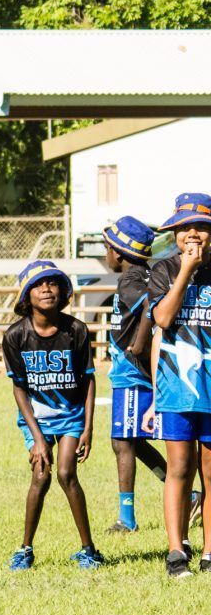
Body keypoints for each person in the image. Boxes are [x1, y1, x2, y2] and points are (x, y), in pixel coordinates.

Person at [3, 261, 101, 571]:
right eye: (38, 284)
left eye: (53, 283)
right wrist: (37, 439)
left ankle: (88, 550)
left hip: (72, 416)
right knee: (41, 476)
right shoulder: (15, 335)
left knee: (66, 473)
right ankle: (25, 548)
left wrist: (87, 428)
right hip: (38, 419)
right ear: (25, 296)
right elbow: (19, 390)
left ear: (63, 291)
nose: (47, 289)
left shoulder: (77, 331)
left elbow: (88, 380)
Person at [145, 193, 211, 578]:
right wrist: (186, 271)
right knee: (179, 467)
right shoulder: (164, 269)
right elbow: (164, 320)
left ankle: (209, 551)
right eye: (185, 226)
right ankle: (176, 551)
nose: (193, 233)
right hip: (177, 388)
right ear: (173, 232)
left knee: (210, 469)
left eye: (201, 226)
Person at [101, 217, 172, 535]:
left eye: (107, 248)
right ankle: (189, 492)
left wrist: (140, 344)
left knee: (123, 442)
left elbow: (150, 306)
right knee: (134, 440)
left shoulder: (130, 279)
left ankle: (126, 518)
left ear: (116, 252)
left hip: (132, 374)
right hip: (130, 373)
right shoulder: (140, 273)